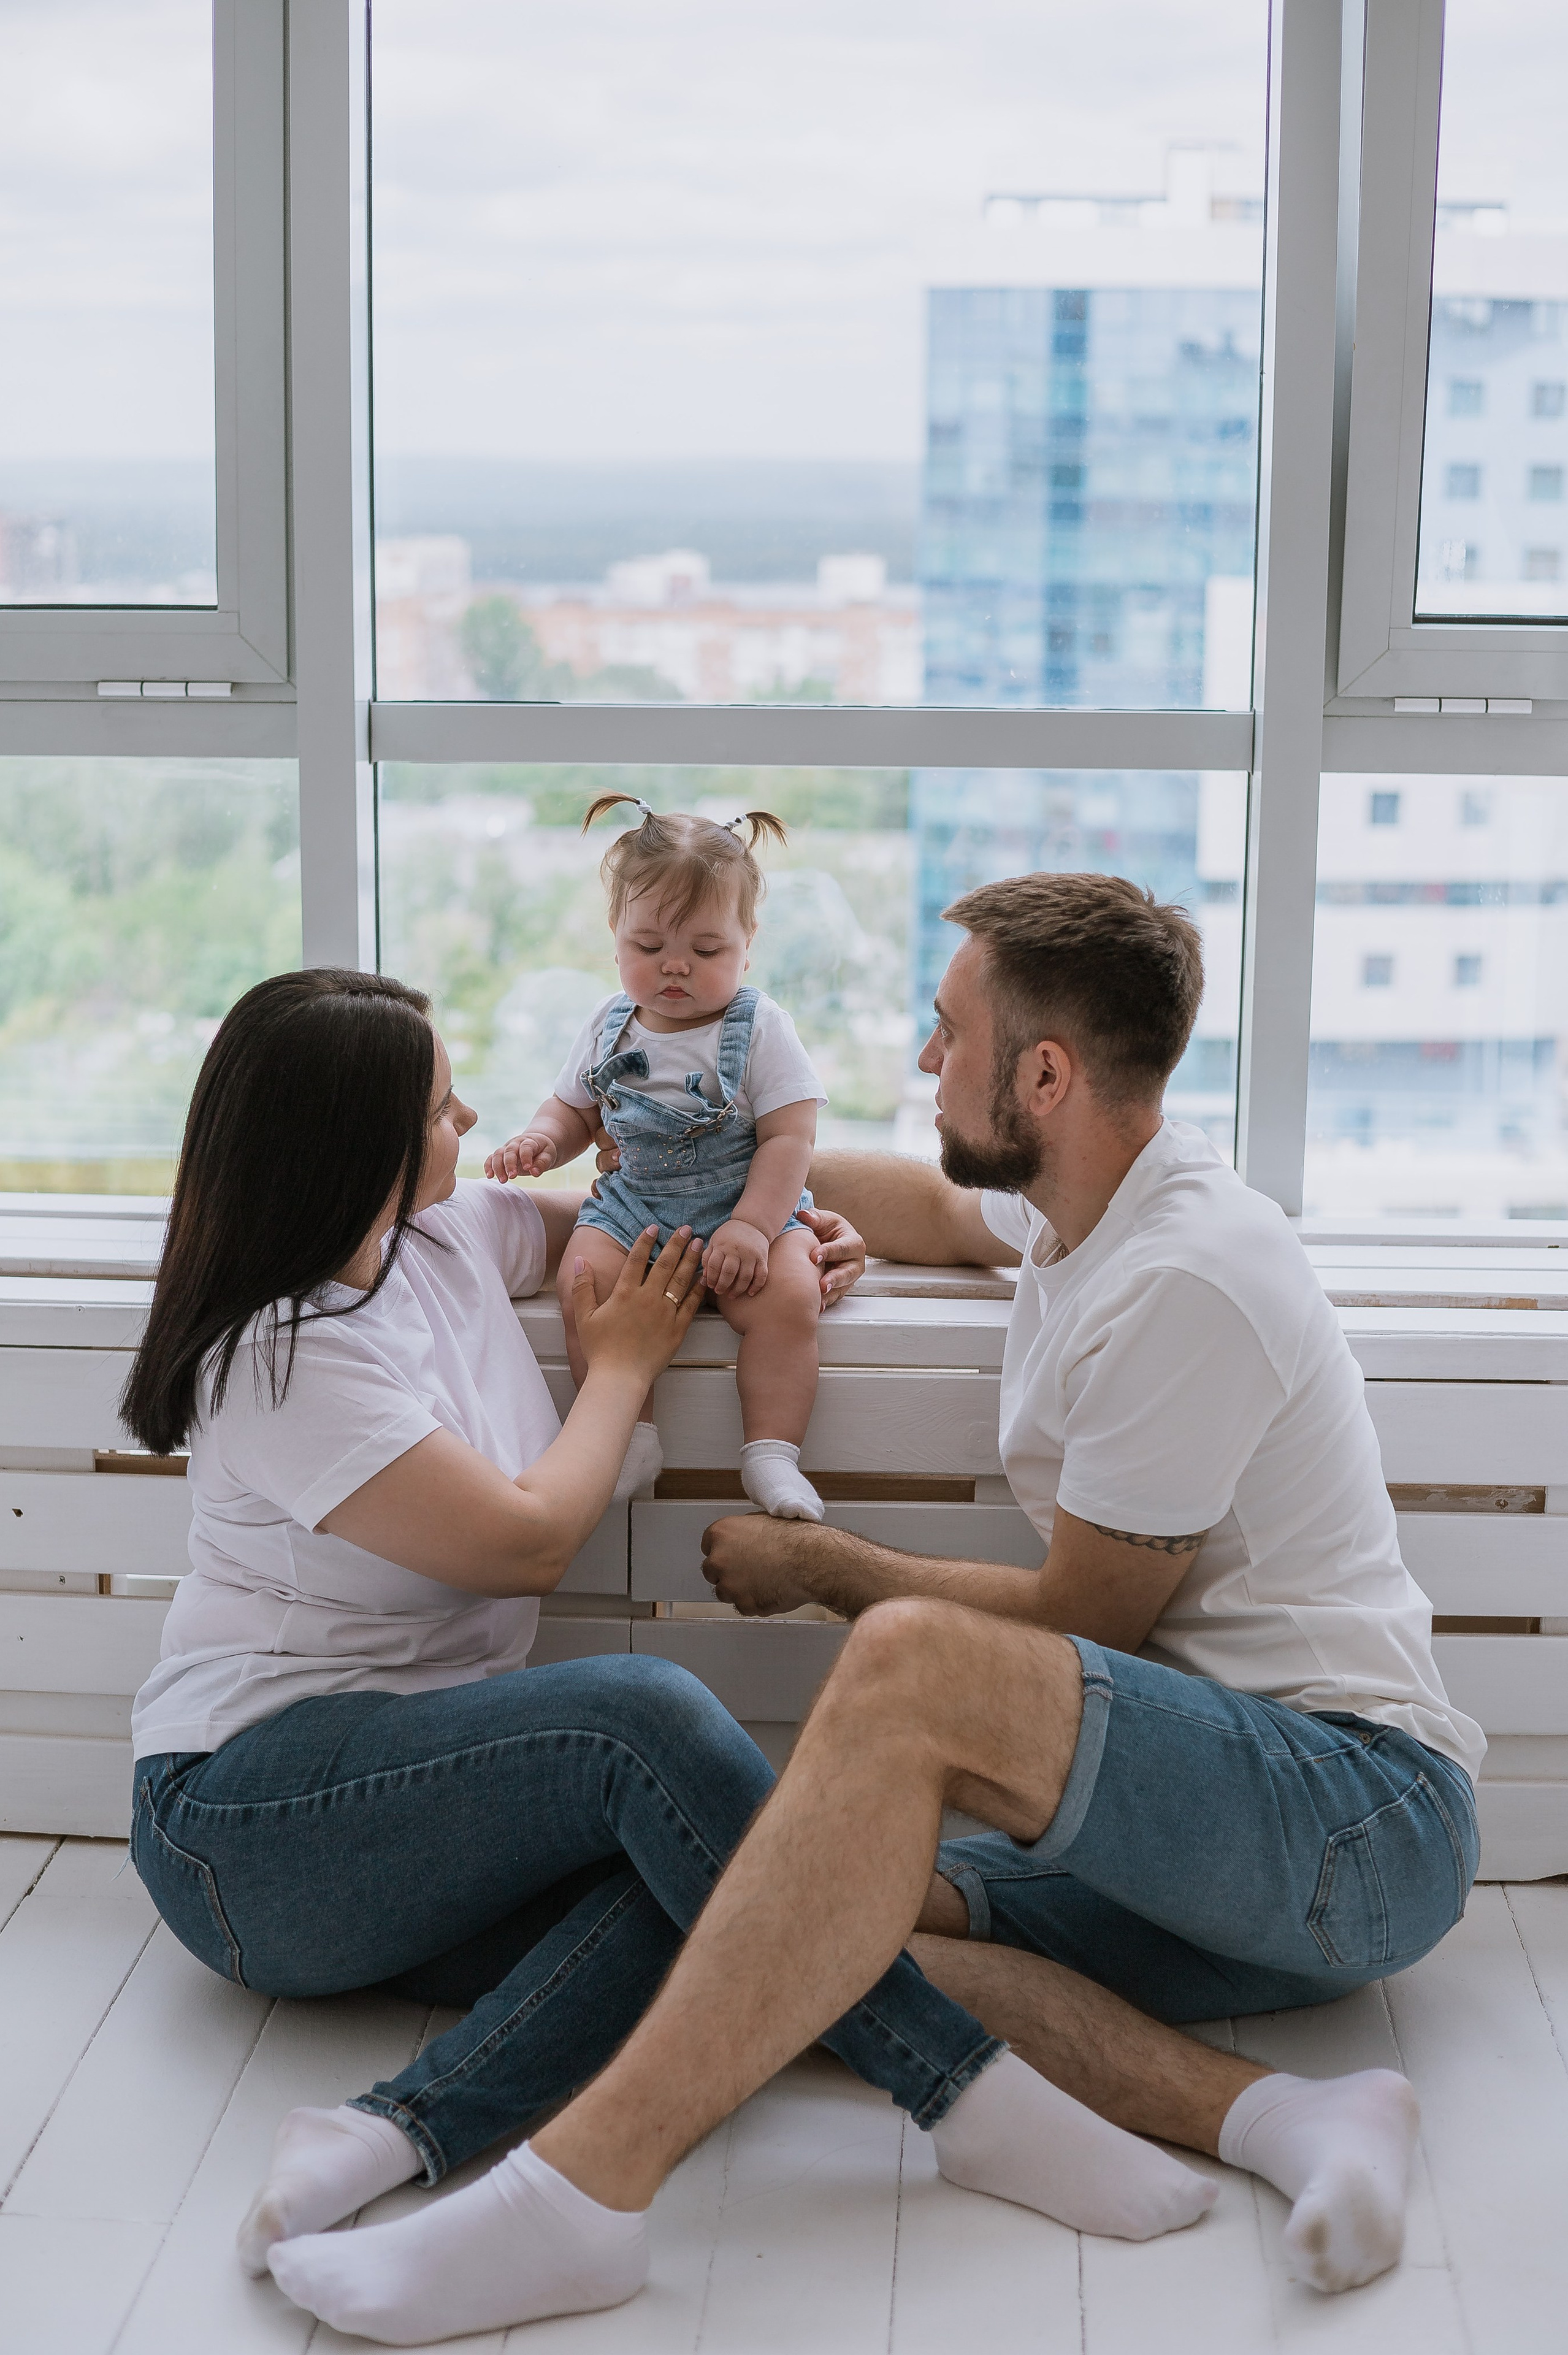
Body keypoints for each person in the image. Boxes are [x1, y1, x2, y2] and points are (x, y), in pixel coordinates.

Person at [262, 878, 1485, 2345]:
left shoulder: (1188, 1274)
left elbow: (1080, 1615)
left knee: (905, 1662)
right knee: (795, 1906)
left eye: (944, 1031)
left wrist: (825, 1567)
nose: (919, 1061)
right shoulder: (1081, 1202)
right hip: (1190, 1828)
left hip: (1347, 1814)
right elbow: (909, 1196)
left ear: (1043, 1074)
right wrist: (750, 1215)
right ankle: (1285, 2116)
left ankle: (577, 2198)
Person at [120, 964, 1215, 2335]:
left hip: (412, 1817)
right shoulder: (281, 1355)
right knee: (643, 1713)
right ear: (353, 1145)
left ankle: (397, 2133)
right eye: (441, 1103)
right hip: (251, 1824)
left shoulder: (446, 1239)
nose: (471, 1118)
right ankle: (968, 2096)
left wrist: (787, 1236)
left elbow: (652, 1227)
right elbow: (523, 1540)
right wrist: (623, 1366)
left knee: (703, 1890)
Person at [486, 794, 830, 1522]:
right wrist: (544, 1139)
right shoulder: (608, 1023)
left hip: (743, 1203)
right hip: (635, 1205)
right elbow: (576, 1109)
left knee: (791, 1299)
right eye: (649, 948)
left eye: (706, 951)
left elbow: (789, 1139)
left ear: (747, 942)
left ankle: (771, 1453)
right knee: (582, 1280)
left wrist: (753, 1227)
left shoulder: (760, 1025)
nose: (675, 968)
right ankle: (628, 1436)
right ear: (615, 936)